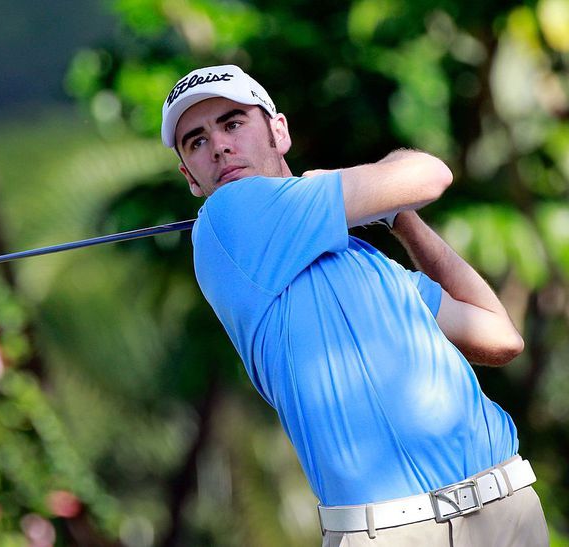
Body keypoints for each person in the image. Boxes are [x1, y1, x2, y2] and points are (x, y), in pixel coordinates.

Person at [160, 65, 548, 546]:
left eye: (233, 123)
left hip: (507, 505)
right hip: (395, 531)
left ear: (278, 131)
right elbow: (430, 173)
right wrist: (357, 186)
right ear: (190, 178)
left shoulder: (370, 265)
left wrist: (401, 221)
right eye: (196, 141)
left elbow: (499, 335)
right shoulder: (228, 218)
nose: (218, 145)